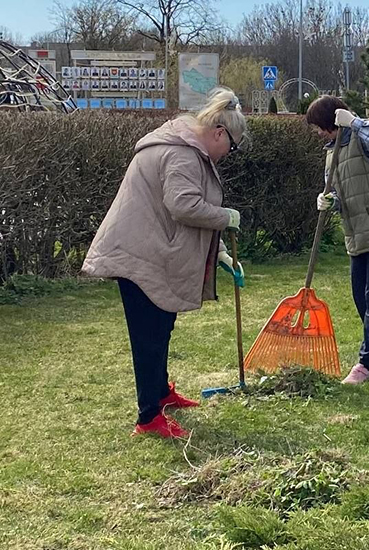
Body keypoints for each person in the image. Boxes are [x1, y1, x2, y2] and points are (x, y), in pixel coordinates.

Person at [81, 87, 247, 439]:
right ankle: (148, 418)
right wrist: (226, 217)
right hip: (138, 255)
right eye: (232, 146)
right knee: (148, 338)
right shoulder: (182, 154)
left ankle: (160, 394)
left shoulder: (185, 148)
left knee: (161, 327)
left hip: (150, 251)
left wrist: (219, 252)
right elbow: (183, 206)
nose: (228, 154)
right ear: (219, 133)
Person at [306, 95, 369, 385]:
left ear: (332, 121)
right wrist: (330, 202)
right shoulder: (332, 152)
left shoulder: (364, 138)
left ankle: (365, 364)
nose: (318, 133)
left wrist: (354, 122)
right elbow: (341, 194)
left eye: (320, 126)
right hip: (357, 234)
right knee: (361, 300)